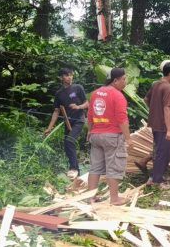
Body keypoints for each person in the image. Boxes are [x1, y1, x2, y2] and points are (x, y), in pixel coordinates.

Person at [87, 67, 131, 205]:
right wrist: (128, 138)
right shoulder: (118, 95)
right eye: (124, 79)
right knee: (114, 167)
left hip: (96, 135)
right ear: (115, 80)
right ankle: (114, 199)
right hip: (112, 136)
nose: (125, 82)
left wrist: (89, 131)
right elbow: (122, 119)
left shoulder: (95, 93)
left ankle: (91, 197)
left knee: (95, 168)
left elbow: (90, 115)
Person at [143, 61, 170, 187]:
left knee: (159, 151)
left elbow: (146, 99)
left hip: (155, 124)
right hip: (163, 126)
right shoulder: (168, 88)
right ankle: (157, 181)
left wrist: (155, 110)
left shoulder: (156, 84)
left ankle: (154, 177)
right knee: (163, 153)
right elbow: (167, 108)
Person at [44, 68, 88, 179]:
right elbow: (56, 111)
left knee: (69, 141)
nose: (69, 77)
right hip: (67, 122)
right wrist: (49, 128)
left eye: (71, 75)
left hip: (79, 120)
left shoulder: (78, 88)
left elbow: (87, 103)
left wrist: (78, 107)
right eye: (67, 75)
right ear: (61, 77)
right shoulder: (59, 93)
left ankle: (73, 168)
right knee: (67, 145)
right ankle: (76, 172)